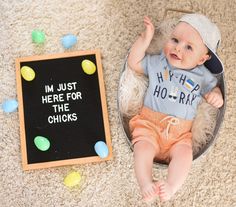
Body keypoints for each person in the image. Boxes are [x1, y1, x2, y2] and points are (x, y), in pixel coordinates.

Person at [127, 14, 224, 202]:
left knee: (185, 155)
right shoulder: (158, 63)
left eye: (189, 47)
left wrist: (216, 95)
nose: (178, 48)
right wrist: (144, 39)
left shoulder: (202, 76)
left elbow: (214, 88)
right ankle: (146, 182)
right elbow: (134, 62)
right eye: (175, 40)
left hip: (180, 136)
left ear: (202, 59)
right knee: (142, 149)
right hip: (149, 125)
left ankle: (171, 186)